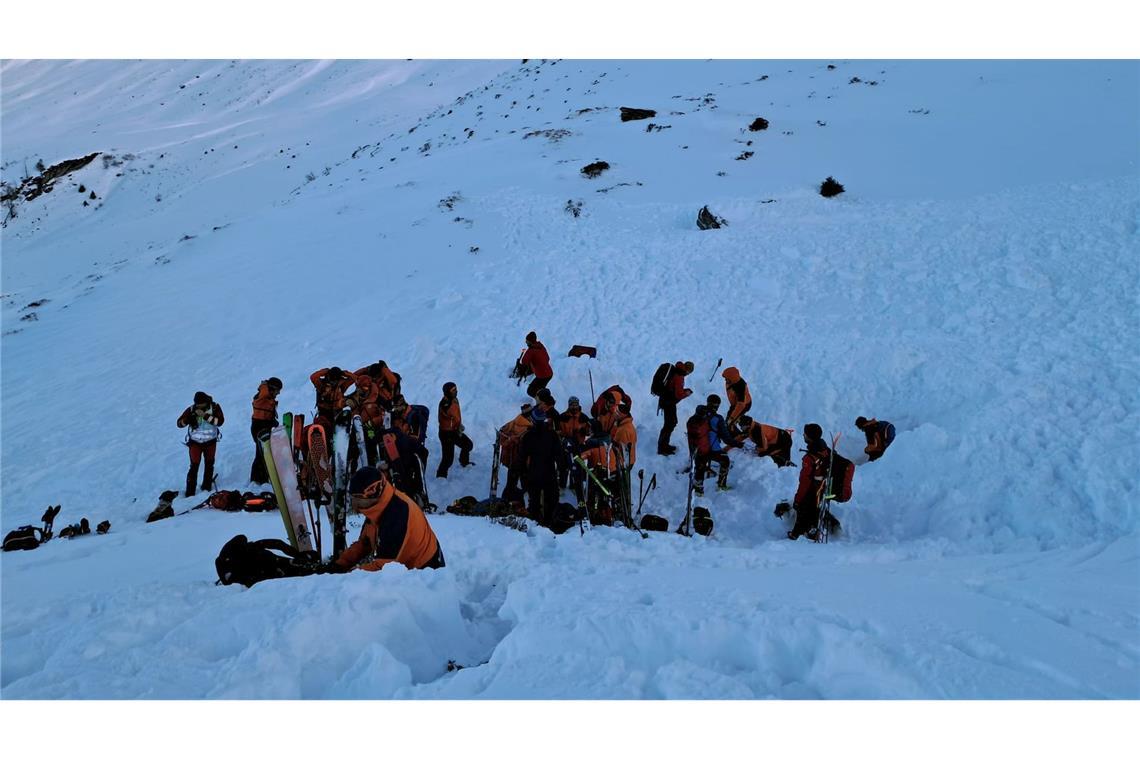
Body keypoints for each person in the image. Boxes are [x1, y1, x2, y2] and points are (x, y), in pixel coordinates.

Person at [331, 467, 444, 572]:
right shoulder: (378, 506)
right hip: (408, 567)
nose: (353, 503)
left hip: (427, 573)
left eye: (358, 498)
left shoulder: (396, 514)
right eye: (352, 497)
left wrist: (349, 575)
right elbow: (364, 544)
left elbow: (384, 567)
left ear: (373, 494)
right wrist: (340, 564)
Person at [787, 423, 835, 541]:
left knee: (801, 508)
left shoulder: (810, 458)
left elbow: (804, 481)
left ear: (810, 437)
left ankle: (796, 534)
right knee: (814, 509)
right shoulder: (825, 449)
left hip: (812, 488)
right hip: (822, 487)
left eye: (805, 434)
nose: (803, 435)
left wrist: (798, 499)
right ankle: (812, 530)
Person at [518, 407, 562, 526]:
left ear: (532, 420)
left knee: (534, 502)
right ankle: (549, 523)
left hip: (534, 473)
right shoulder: (552, 435)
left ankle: (534, 524)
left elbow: (521, 458)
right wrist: (561, 471)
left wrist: (523, 476)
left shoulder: (528, 436)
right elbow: (559, 455)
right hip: (549, 473)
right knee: (551, 501)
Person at [176, 391, 225, 496]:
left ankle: (207, 487)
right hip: (195, 443)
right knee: (194, 466)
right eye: (197, 404)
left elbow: (220, 422)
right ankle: (190, 492)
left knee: (209, 464)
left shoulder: (215, 407)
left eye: (200, 404)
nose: (198, 406)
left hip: (210, 442)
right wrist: (187, 420)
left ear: (206, 402)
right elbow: (179, 423)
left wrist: (205, 416)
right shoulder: (191, 409)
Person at [376, 425, 430, 506]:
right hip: (406, 465)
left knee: (405, 479)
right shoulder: (403, 439)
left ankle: (415, 497)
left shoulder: (398, 440)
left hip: (405, 464)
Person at [497, 402, 535, 503]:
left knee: (514, 481)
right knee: (516, 481)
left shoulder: (516, 421)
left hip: (514, 459)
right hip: (518, 459)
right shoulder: (526, 426)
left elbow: (501, 432)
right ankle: (506, 500)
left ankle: (510, 498)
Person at [557, 396, 592, 499]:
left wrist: (585, 431)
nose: (574, 406)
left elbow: (589, 431)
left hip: (578, 446)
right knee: (563, 467)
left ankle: (574, 486)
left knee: (577, 467)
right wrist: (562, 436)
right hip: (565, 445)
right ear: (569, 405)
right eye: (572, 404)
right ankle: (562, 485)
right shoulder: (562, 417)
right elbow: (558, 431)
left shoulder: (584, 418)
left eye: (576, 404)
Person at [436, 382, 473, 478]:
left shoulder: (453, 399)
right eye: (453, 390)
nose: (456, 391)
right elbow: (446, 420)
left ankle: (464, 461)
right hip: (446, 434)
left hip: (454, 431)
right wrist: (456, 427)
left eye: (456, 389)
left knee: (468, 445)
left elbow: (455, 416)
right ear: (447, 392)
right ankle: (441, 475)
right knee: (448, 459)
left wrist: (458, 426)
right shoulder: (446, 405)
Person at [656, 360, 694, 455]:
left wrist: (683, 390)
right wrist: (686, 393)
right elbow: (678, 394)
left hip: (666, 399)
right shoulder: (679, 376)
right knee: (669, 424)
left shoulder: (676, 371)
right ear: (688, 371)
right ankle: (662, 447)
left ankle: (664, 445)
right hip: (669, 402)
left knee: (671, 423)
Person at [250, 377, 282, 484]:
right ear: (272, 389)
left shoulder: (267, 398)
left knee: (264, 453)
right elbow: (264, 392)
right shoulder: (262, 396)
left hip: (264, 426)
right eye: (277, 390)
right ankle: (257, 479)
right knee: (261, 454)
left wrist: (273, 422)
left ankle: (262, 477)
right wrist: (265, 385)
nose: (278, 393)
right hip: (259, 427)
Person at [703, 394, 738, 491]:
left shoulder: (699, 413)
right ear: (717, 405)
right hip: (712, 450)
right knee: (725, 461)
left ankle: (699, 484)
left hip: (699, 449)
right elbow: (726, 438)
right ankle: (721, 484)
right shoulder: (718, 418)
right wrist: (736, 443)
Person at [517, 331, 554, 399]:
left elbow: (524, 362)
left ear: (530, 341)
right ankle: (544, 401)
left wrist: (521, 368)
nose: (526, 342)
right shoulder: (540, 346)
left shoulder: (530, 351)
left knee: (531, 391)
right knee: (539, 390)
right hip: (549, 373)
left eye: (527, 341)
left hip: (542, 376)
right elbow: (547, 358)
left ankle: (542, 402)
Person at [721, 366, 752, 431]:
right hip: (735, 404)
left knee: (730, 422)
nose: (725, 380)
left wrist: (732, 418)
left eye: (727, 379)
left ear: (732, 379)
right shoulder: (732, 381)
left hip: (744, 405)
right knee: (730, 419)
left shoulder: (740, 388)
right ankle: (740, 422)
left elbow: (741, 405)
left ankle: (737, 430)